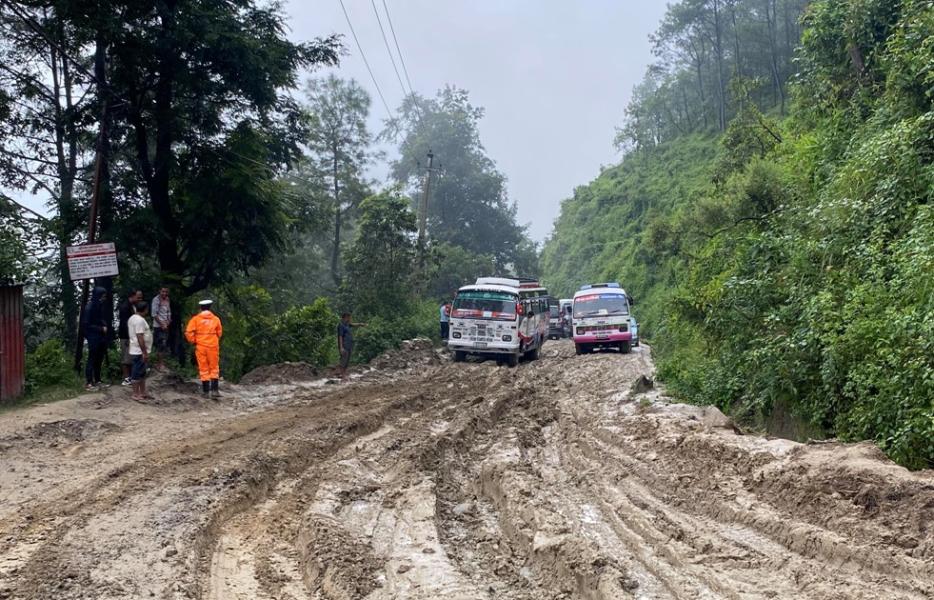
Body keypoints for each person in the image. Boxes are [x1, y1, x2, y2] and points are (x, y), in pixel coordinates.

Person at [185, 299, 223, 398]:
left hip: (200, 346)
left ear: (200, 308)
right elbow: (219, 333)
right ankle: (215, 391)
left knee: (203, 368)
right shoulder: (216, 319)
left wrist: (194, 341)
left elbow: (188, 332)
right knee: (214, 367)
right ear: (210, 307)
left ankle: (206, 392)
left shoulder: (195, 319)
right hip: (213, 346)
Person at [81, 286, 110, 391]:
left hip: (101, 336)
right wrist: (100, 328)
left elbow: (100, 318)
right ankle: (89, 382)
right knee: (92, 358)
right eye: (102, 296)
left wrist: (104, 325)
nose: (104, 298)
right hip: (93, 336)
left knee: (99, 358)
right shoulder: (89, 307)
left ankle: (97, 380)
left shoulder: (100, 306)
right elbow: (86, 324)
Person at [127, 300, 153, 401]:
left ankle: (142, 392)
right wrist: (144, 352)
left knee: (142, 372)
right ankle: (135, 393)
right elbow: (139, 336)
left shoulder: (133, 318)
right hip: (138, 350)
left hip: (137, 349)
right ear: (145, 309)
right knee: (137, 372)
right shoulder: (139, 320)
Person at [118, 289, 142, 385]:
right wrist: (129, 336)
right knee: (126, 357)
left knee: (132, 356)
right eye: (137, 297)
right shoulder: (125, 307)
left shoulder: (134, 306)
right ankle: (126, 377)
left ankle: (132, 376)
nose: (139, 299)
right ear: (132, 296)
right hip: (126, 335)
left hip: (132, 335)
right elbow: (125, 324)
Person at [337, 312, 366, 380]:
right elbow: (340, 336)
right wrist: (341, 347)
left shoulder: (347, 324)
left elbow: (353, 324)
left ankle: (344, 374)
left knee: (347, 360)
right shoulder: (341, 325)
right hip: (344, 345)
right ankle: (342, 375)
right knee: (343, 360)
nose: (350, 319)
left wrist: (361, 324)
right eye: (349, 317)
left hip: (349, 345)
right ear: (346, 317)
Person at [150, 286, 172, 370]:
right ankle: (160, 364)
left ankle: (162, 363)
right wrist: (162, 324)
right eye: (163, 291)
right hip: (158, 326)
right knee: (160, 345)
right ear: (159, 291)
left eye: (166, 292)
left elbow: (168, 311)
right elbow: (154, 314)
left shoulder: (167, 299)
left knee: (165, 344)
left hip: (166, 324)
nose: (164, 293)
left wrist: (168, 321)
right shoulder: (156, 300)